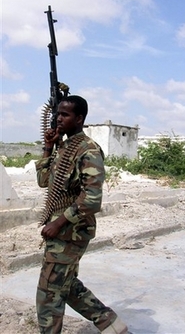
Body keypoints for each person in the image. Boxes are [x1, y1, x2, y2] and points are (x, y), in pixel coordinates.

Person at [35, 95, 129, 334]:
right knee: (65, 286)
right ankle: (112, 325)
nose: (58, 119)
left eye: (65, 115)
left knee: (48, 293)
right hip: (61, 232)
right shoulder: (63, 147)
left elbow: (92, 199)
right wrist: (48, 148)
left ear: (79, 119)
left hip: (71, 232)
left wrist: (58, 223)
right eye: (57, 114)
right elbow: (44, 182)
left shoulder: (88, 150)